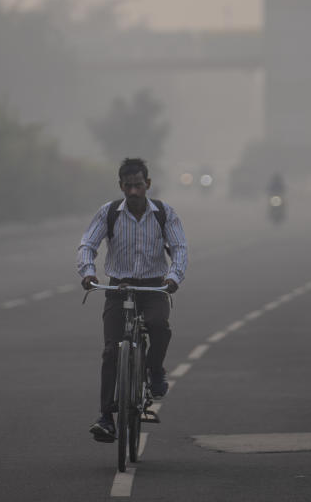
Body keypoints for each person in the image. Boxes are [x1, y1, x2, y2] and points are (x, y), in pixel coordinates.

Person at [77, 157, 189, 443]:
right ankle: (105, 416)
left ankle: (155, 372)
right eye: (128, 186)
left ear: (148, 184)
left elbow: (179, 248)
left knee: (158, 325)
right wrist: (89, 272)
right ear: (121, 186)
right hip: (119, 288)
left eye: (138, 185)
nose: (134, 192)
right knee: (112, 351)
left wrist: (174, 277)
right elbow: (88, 245)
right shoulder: (109, 213)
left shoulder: (164, 213)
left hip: (154, 287)